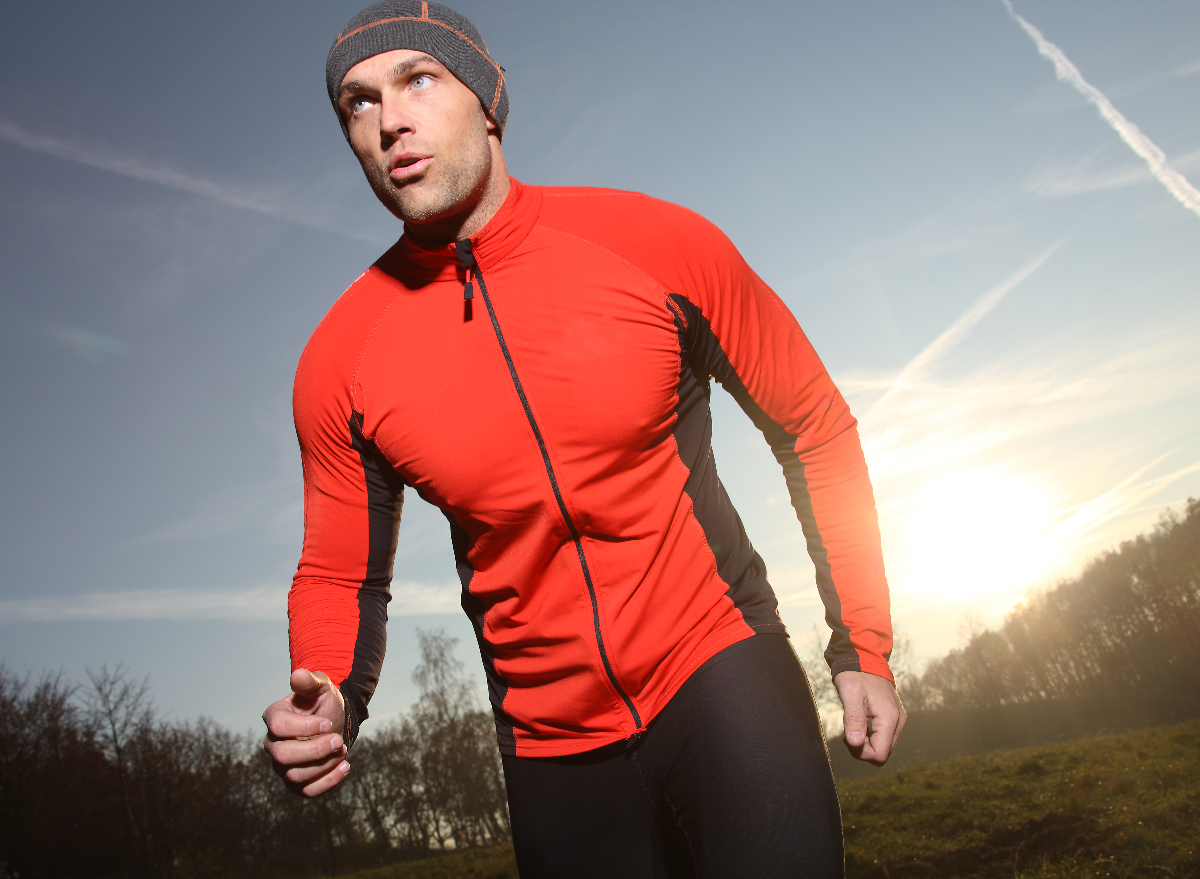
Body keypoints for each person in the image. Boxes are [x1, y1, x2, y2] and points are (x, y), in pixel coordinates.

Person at [262, 2, 905, 876]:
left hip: (719, 667)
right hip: (550, 746)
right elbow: (342, 571)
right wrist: (329, 692)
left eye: (419, 79)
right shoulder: (340, 361)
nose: (390, 121)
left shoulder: (661, 245)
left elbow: (814, 427)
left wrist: (861, 641)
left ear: (487, 100)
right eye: (358, 103)